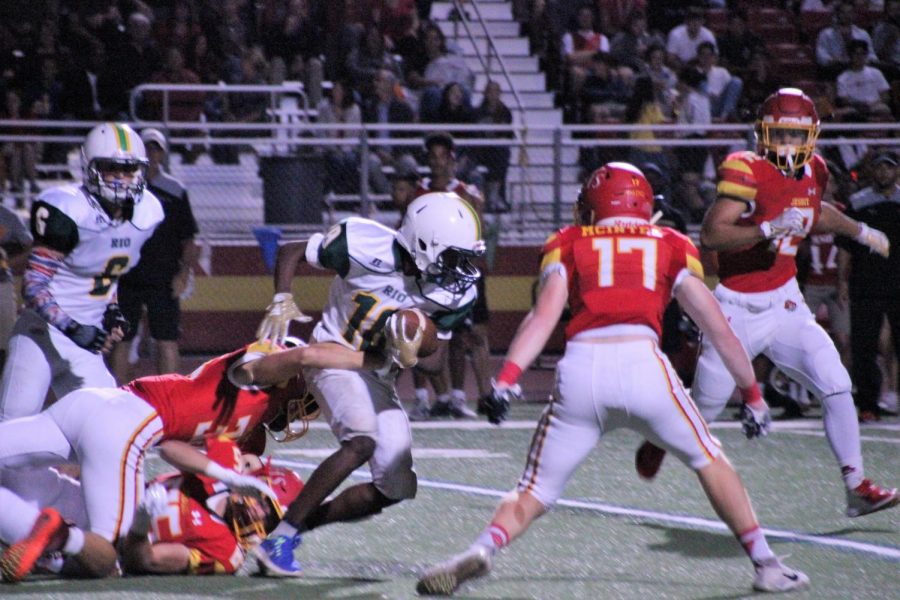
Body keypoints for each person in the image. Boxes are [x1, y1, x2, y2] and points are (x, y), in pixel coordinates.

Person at [416, 162, 809, 596]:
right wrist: (752, 394)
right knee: (709, 458)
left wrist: (506, 380)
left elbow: (543, 316)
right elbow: (717, 327)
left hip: (582, 371)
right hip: (644, 366)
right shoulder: (672, 242)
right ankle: (767, 564)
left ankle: (483, 547)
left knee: (533, 490)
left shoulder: (567, 241)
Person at [636, 88, 898, 519]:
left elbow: (817, 214)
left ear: (811, 137)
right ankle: (660, 437)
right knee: (706, 407)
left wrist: (861, 231)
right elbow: (712, 234)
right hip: (735, 309)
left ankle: (856, 486)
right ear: (763, 135)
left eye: (797, 137)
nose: (789, 146)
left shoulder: (814, 170)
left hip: (786, 304)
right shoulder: (746, 169)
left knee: (835, 383)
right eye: (781, 135)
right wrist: (767, 229)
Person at [0, 338, 375, 582]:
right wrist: (371, 358)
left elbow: (172, 446)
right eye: (303, 393)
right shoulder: (252, 377)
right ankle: (57, 533)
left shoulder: (245, 434)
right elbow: (307, 355)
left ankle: (46, 528)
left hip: (92, 406)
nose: (302, 408)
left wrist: (224, 474)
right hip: (128, 425)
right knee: (104, 560)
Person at [253, 191, 484, 576]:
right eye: (452, 257)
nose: (459, 269)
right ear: (424, 244)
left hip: (377, 373)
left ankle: (291, 525)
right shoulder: (364, 243)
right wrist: (281, 297)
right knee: (362, 442)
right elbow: (291, 249)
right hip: (334, 356)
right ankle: (282, 537)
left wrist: (412, 351)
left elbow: (436, 361)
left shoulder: (452, 293)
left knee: (395, 487)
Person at [0, 123, 164, 422]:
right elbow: (34, 286)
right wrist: (75, 328)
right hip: (42, 335)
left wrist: (111, 310)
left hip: (85, 341)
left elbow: (103, 270)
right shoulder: (68, 211)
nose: (123, 179)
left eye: (129, 171)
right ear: (90, 169)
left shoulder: (146, 214)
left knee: (108, 425)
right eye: (113, 169)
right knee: (12, 425)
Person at [121, 437, 304, 576]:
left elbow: (142, 561)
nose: (257, 514)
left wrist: (140, 523)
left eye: (269, 519)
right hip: (119, 490)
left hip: (117, 542)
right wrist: (225, 476)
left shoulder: (226, 553)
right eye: (264, 503)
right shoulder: (228, 463)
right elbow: (167, 448)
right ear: (255, 484)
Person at [110, 128, 199, 383]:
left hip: (163, 276)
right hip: (127, 275)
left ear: (162, 153)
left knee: (166, 338)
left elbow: (189, 239)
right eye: (147, 148)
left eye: (155, 148)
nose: (151, 154)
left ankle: (169, 394)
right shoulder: (121, 187)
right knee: (122, 338)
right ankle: (119, 396)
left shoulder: (175, 190)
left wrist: (184, 274)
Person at [411, 132, 490, 419]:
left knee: (461, 336)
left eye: (442, 156)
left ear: (452, 159)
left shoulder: (469, 193)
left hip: (460, 273)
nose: (437, 163)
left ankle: (457, 397)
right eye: (432, 157)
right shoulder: (417, 191)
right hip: (427, 272)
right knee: (419, 332)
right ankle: (423, 398)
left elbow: (476, 232)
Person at [837, 149, 900, 421]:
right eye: (879, 167)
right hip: (866, 284)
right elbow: (845, 247)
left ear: (897, 171)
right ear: (872, 171)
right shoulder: (858, 202)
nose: (884, 172)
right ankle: (868, 406)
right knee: (864, 346)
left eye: (889, 167)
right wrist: (842, 280)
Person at [0, 204, 32, 371]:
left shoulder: (6, 216)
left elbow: (30, 250)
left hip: (1, 284)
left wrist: (7, 263)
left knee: (4, 349)